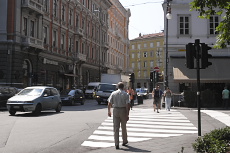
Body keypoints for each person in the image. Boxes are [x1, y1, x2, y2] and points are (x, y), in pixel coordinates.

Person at [108, 82, 130, 149]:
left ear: (117, 87)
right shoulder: (126, 94)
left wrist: (109, 111)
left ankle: (116, 143)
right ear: (123, 87)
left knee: (116, 127)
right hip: (123, 110)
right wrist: (127, 114)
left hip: (116, 110)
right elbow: (127, 104)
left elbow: (109, 102)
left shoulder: (113, 93)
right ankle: (124, 141)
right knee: (123, 127)